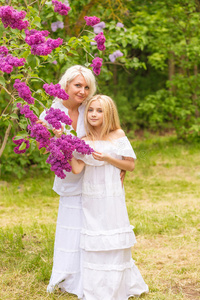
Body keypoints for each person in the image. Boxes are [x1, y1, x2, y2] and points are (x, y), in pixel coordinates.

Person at [70, 95, 149, 300]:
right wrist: (67, 150)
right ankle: (96, 288)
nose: (94, 114)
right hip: (91, 195)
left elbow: (130, 165)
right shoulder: (84, 141)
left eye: (99, 110)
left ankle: (117, 285)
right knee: (95, 234)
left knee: (113, 232)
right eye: (90, 110)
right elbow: (78, 169)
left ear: (109, 113)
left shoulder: (117, 135)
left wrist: (108, 158)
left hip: (112, 194)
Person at [39, 65, 96, 297]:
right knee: (71, 226)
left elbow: (107, 132)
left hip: (93, 174)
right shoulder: (49, 114)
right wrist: (55, 139)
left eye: (86, 87)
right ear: (66, 84)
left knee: (92, 225)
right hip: (69, 175)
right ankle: (68, 274)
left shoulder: (90, 109)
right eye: (78, 85)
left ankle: (92, 273)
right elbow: (45, 152)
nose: (82, 91)